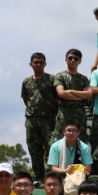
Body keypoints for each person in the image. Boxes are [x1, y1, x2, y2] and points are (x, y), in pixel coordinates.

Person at [22, 52, 58, 180]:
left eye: (41, 62)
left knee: (52, 148)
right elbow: (26, 99)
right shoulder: (26, 81)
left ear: (45, 64)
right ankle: (38, 178)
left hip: (49, 119)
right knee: (34, 149)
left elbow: (57, 98)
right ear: (30, 64)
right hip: (32, 120)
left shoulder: (52, 79)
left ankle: (52, 177)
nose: (38, 64)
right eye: (36, 62)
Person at [52, 49, 92, 143]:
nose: (73, 60)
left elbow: (89, 94)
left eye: (76, 58)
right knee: (58, 141)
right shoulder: (60, 76)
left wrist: (70, 91)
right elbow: (61, 93)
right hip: (64, 113)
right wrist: (81, 96)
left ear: (80, 61)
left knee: (80, 142)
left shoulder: (83, 79)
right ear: (66, 60)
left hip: (80, 114)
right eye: (70, 58)